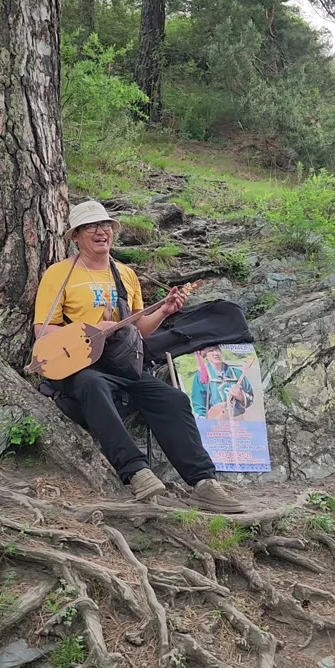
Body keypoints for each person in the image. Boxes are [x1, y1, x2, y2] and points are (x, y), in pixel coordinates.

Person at [34, 200, 243, 513]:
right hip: (80, 366)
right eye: (91, 226)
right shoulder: (60, 274)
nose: (101, 231)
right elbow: (43, 332)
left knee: (172, 399)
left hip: (124, 363)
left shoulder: (125, 275)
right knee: (93, 386)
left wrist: (164, 311)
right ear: (76, 235)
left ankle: (203, 482)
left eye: (105, 225)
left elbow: (139, 330)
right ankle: (135, 472)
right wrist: (91, 329)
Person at [192, 347, 254, 419]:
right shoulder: (202, 376)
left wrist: (241, 396)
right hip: (214, 424)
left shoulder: (237, 374)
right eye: (211, 351)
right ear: (205, 355)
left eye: (217, 349)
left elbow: (250, 397)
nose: (216, 353)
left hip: (238, 423)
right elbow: (199, 406)